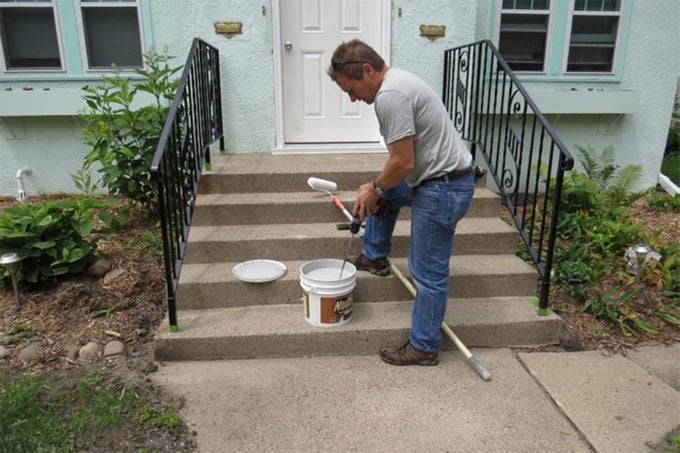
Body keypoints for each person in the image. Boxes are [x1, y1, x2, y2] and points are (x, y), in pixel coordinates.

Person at [327, 39, 475, 366]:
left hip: (443, 189)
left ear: (367, 70)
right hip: (439, 181)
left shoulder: (390, 96)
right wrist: (378, 189)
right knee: (386, 191)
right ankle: (375, 255)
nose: (352, 98)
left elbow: (403, 163)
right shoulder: (398, 83)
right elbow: (401, 166)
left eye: (351, 89)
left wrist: (372, 188)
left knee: (426, 273)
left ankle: (423, 346)